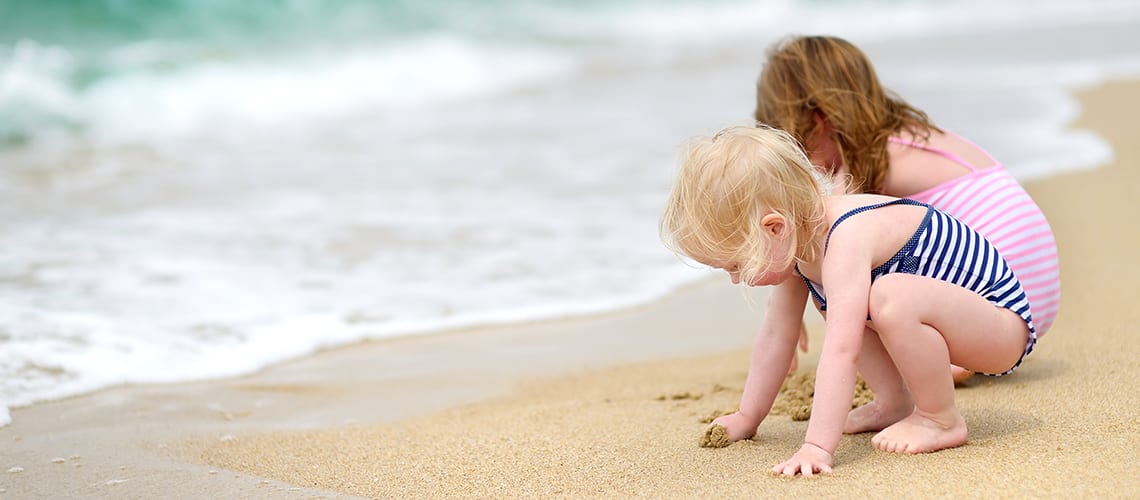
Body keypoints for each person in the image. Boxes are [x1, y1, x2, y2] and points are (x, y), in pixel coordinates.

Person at [659, 125, 1036, 476]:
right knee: (849, 302)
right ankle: (893, 402)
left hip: (1001, 326)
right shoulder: (798, 248)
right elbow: (776, 336)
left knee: (886, 297)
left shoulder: (846, 237)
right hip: (961, 324)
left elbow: (842, 350)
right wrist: (747, 416)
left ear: (775, 227)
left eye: (737, 263)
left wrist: (817, 447)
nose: (736, 277)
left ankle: (940, 418)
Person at [755, 35, 1060, 383]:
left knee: (830, 256)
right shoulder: (914, 136)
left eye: (793, 141)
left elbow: (818, 239)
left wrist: (785, 308)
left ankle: (944, 359)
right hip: (1036, 294)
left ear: (819, 120)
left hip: (1003, 304)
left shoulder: (865, 163)